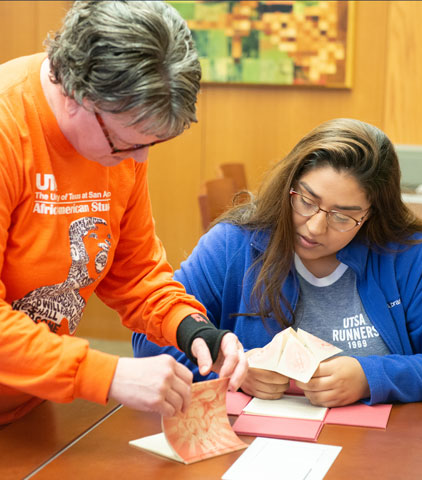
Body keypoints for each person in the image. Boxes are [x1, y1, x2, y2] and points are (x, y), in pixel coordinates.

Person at [0, 0, 247, 426]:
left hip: (27, 400)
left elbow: (133, 272)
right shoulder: (9, 129)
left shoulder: (121, 137)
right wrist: (105, 374)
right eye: (125, 143)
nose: (138, 158)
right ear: (75, 92)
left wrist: (189, 327)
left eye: (152, 143)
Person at [133, 117, 422, 407]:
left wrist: (372, 377)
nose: (315, 227)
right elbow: (148, 341)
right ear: (289, 185)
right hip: (257, 452)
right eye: (307, 201)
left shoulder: (411, 257)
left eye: (344, 217)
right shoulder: (233, 244)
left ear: (373, 214)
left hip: (380, 452)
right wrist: (231, 368)